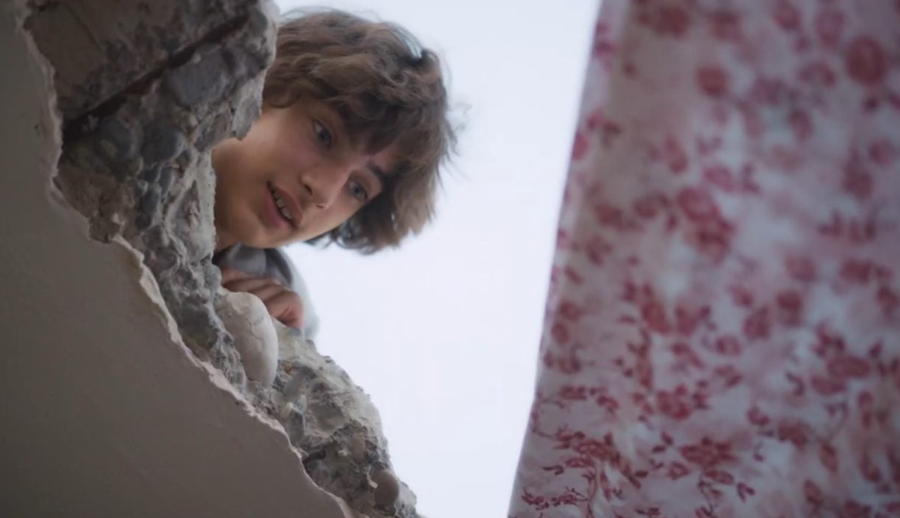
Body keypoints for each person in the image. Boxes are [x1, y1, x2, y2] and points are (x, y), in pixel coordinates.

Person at [211, 9, 454, 339]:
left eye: (357, 188)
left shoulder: (284, 305)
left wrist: (283, 344)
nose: (323, 192)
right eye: (324, 135)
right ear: (266, 85)